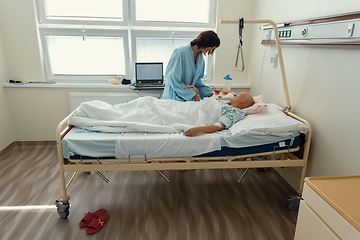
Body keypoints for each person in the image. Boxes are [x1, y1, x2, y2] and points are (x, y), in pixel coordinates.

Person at [162, 30, 220, 101]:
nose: (211, 50)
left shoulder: (201, 59)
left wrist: (206, 92)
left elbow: (197, 81)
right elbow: (172, 78)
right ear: (206, 42)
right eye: (212, 47)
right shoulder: (180, 52)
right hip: (174, 96)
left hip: (187, 97)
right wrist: (191, 92)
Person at [183, 86, 254, 137]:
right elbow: (202, 106)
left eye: (239, 95)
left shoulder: (234, 112)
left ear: (245, 101)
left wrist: (197, 130)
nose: (235, 95)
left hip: (191, 115)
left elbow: (219, 126)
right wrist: (197, 95)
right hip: (190, 108)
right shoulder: (225, 104)